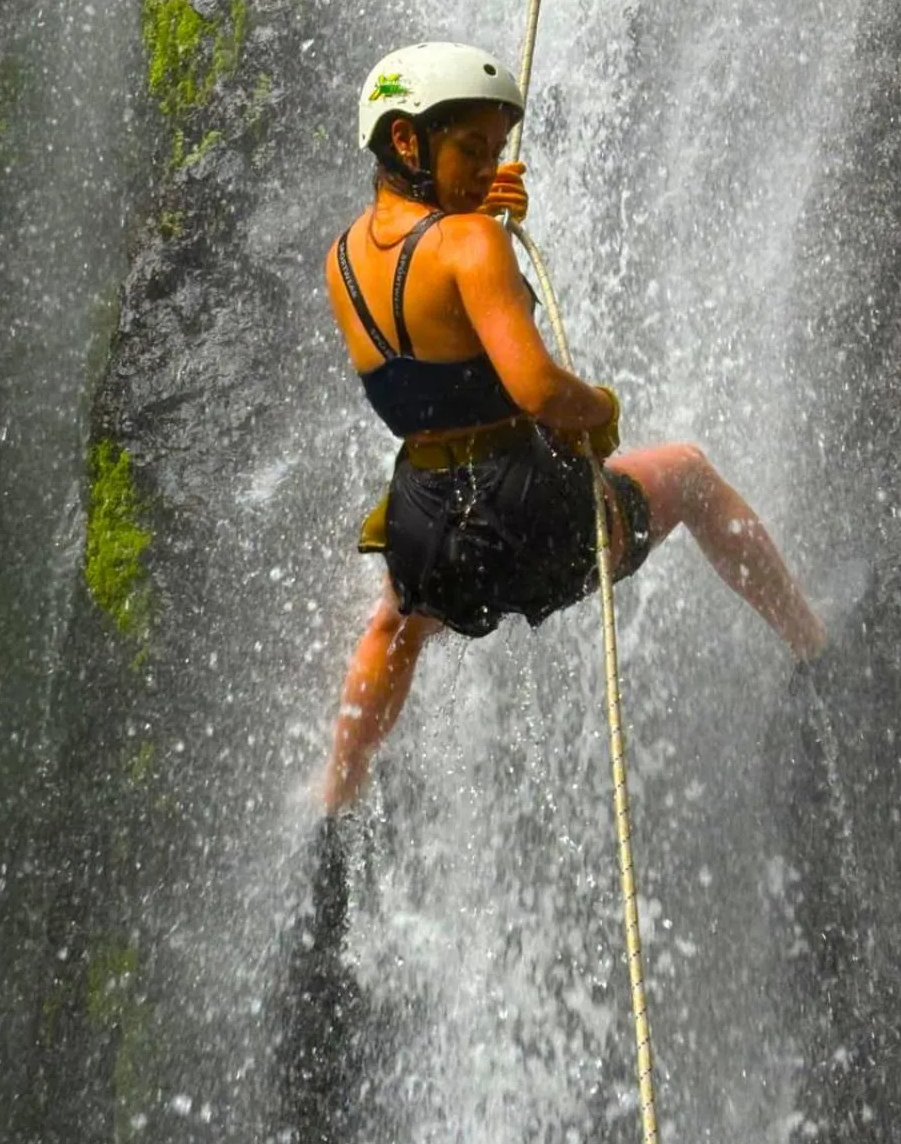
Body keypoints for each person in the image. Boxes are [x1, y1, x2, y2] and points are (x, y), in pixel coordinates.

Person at [322, 42, 825, 812]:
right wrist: (600, 410)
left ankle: (338, 798)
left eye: (494, 150)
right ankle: (815, 650)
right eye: (470, 150)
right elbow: (536, 389)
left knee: (396, 619)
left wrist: (479, 212)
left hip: (425, 522)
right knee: (686, 473)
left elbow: (435, 329)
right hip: (522, 515)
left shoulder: (343, 259)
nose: (490, 169)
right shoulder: (471, 241)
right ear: (404, 139)